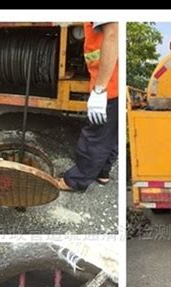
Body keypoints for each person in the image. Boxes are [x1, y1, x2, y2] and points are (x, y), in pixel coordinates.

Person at [56, 22, 118, 192]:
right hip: (113, 83)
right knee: (111, 133)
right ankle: (102, 172)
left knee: (95, 136)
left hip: (110, 85)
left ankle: (75, 181)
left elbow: (113, 34)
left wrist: (100, 89)